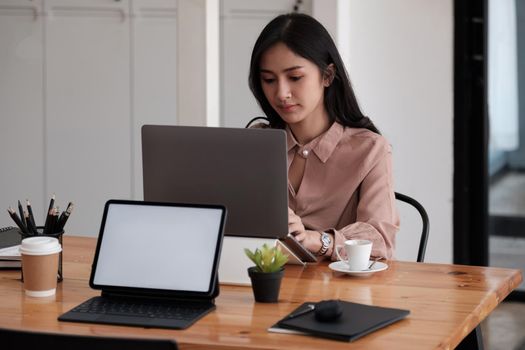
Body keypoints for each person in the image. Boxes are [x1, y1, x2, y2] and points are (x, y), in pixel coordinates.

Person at [247, 13, 399, 260]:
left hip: (335, 290)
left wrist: (317, 240)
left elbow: (381, 240)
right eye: (269, 80)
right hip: (261, 283)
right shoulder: (254, 143)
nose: (281, 93)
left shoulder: (370, 149)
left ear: (327, 76)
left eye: (295, 77)